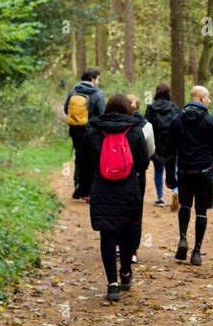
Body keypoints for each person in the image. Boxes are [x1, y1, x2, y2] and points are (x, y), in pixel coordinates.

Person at [83, 93, 150, 302]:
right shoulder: (135, 131)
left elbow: (87, 160)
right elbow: (143, 163)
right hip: (129, 187)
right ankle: (126, 272)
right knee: (128, 232)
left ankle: (112, 285)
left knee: (107, 234)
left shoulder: (94, 130)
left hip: (102, 187)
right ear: (128, 109)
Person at [164, 85, 213, 266]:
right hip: (205, 173)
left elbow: (169, 151)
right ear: (201, 98)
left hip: (185, 172)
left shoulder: (177, 120)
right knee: (201, 210)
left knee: (185, 205)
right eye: (208, 97)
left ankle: (183, 237)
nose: (209, 101)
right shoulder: (210, 121)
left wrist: (170, 176)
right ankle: (196, 251)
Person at [64, 68, 106, 199]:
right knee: (92, 160)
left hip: (75, 131)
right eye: (98, 79)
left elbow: (66, 109)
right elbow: (102, 113)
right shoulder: (98, 93)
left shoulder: (73, 91)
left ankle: (77, 184)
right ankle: (88, 190)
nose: (98, 82)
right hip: (92, 132)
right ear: (92, 79)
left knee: (79, 156)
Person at [127, 94, 155, 263]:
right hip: (137, 173)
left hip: (117, 172)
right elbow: (151, 150)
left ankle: (117, 244)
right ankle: (132, 250)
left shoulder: (115, 125)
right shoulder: (147, 126)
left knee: (118, 209)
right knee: (136, 211)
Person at [145, 84, 180, 210]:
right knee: (174, 169)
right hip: (172, 144)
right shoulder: (174, 107)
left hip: (157, 144)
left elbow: (146, 126)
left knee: (158, 171)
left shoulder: (151, 108)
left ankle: (160, 198)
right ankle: (175, 191)